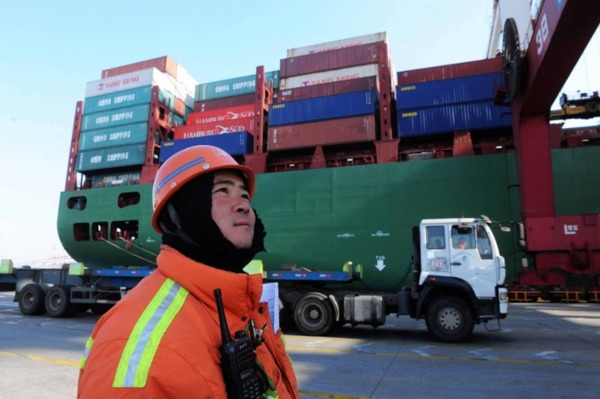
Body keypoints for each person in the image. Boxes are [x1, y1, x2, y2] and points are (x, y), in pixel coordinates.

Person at [78, 145, 300, 398]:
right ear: (178, 213)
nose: (243, 206)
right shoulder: (138, 347)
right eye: (223, 191)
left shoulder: (240, 306)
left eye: (244, 196)